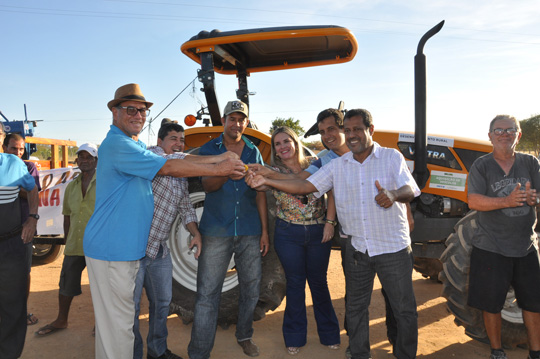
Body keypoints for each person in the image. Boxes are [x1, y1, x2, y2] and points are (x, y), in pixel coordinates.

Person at [83, 83, 245, 359]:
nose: (138, 115)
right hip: (113, 250)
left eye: (143, 110)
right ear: (114, 112)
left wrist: (220, 158)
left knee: (121, 326)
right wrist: (221, 166)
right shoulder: (120, 145)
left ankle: (155, 351)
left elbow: (179, 169)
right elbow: (169, 165)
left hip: (131, 250)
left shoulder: (132, 145)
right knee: (119, 330)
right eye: (130, 109)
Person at [246, 108, 421, 359]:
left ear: (370, 130)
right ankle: (359, 353)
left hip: (391, 246)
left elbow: (410, 189)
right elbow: (305, 185)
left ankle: (405, 354)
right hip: (358, 248)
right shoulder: (335, 164)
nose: (351, 135)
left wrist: (393, 195)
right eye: (347, 130)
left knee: (403, 308)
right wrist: (268, 179)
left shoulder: (391, 157)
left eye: (356, 129)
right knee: (356, 308)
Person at [134, 119, 230, 359]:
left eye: (181, 140)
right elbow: (174, 161)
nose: (179, 144)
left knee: (162, 303)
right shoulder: (153, 157)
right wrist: (220, 161)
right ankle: (132, 353)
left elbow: (186, 205)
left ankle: (156, 351)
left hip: (158, 250)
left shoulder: (181, 172)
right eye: (173, 139)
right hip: (135, 250)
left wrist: (195, 232)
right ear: (160, 142)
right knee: (131, 309)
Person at [188, 100, 269, 359]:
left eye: (241, 119)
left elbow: (259, 193)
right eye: (231, 118)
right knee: (207, 293)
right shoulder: (209, 149)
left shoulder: (253, 150)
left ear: (246, 122)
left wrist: (265, 231)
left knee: (252, 287)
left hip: (249, 229)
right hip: (216, 230)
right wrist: (227, 172)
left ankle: (244, 335)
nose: (236, 124)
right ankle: (199, 351)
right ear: (223, 121)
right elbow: (208, 186)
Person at [467, 115, 540, 359]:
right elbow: (474, 200)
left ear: (518, 136)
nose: (504, 134)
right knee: (491, 304)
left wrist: (535, 199)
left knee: (533, 303)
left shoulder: (531, 163)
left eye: (510, 130)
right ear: (490, 136)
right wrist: (506, 201)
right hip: (491, 247)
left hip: (526, 246)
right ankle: (497, 351)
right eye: (498, 130)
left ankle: (535, 351)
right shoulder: (481, 165)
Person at [268, 126, 340, 355]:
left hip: (320, 231)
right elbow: (259, 187)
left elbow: (333, 191)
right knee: (296, 283)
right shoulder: (272, 170)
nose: (283, 147)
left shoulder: (315, 162)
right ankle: (294, 337)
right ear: (275, 151)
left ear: (295, 142)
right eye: (278, 144)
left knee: (319, 283)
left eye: (286, 141)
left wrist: (330, 222)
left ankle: (329, 334)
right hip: (288, 234)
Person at [35, 143, 98, 337]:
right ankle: (62, 319)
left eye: (89, 157)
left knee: (100, 287)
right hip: (74, 244)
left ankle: (101, 324)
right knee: (66, 283)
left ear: (96, 161)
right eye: (81, 157)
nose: (85, 160)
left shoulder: (105, 183)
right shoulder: (71, 186)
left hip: (98, 246)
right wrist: (67, 240)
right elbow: (67, 216)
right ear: (76, 160)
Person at [0, 121, 39, 359]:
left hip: (10, 246)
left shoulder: (14, 163)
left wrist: (33, 218)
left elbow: (33, 189)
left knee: (13, 306)